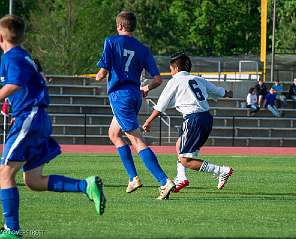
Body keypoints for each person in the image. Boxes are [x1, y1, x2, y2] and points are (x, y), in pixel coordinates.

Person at [0, 15, 106, 238]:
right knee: (34, 181)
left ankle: (12, 230)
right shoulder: (24, 56)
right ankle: (85, 186)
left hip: (29, 117)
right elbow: (30, 84)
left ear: (1, 36)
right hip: (34, 117)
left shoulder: (12, 57)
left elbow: (14, 84)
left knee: (5, 173)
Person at [96, 11, 175, 200]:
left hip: (120, 96)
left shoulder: (111, 41)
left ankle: (164, 181)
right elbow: (158, 79)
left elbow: (103, 71)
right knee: (114, 134)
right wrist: (146, 87)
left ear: (120, 26)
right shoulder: (143, 48)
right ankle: (133, 178)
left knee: (136, 140)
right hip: (135, 95)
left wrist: (99, 76)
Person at [143, 53, 234, 193]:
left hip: (193, 119)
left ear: (177, 68)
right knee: (179, 145)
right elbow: (219, 92)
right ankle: (181, 177)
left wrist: (148, 121)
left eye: (171, 69)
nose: (171, 73)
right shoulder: (198, 79)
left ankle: (221, 170)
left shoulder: (175, 81)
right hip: (206, 118)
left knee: (186, 160)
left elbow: (161, 105)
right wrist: (228, 93)